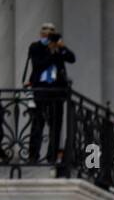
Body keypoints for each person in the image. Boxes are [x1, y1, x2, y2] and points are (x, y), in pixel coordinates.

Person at [23, 22, 75, 164]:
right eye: (46, 30)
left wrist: (61, 47)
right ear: (41, 33)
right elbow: (39, 64)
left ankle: (51, 156)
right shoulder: (36, 46)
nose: (49, 32)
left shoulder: (58, 48)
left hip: (56, 91)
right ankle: (33, 156)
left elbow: (72, 59)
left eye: (52, 30)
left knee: (56, 125)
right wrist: (51, 52)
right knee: (37, 123)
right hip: (40, 89)